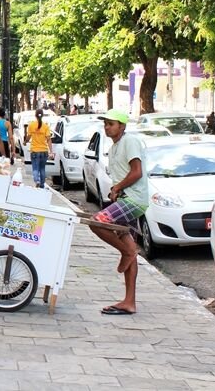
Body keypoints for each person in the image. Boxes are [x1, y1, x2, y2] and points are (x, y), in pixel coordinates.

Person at [89, 109, 148, 316]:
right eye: (105, 124)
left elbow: (137, 172)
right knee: (129, 245)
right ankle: (129, 301)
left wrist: (118, 187)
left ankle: (126, 252)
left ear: (122, 126)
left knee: (97, 221)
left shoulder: (130, 142)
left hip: (134, 199)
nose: (107, 127)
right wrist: (116, 189)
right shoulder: (114, 147)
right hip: (125, 199)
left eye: (111, 124)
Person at [24, 108, 53, 188]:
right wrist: (51, 151)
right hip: (44, 151)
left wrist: (25, 142)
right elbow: (49, 139)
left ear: (35, 115)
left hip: (35, 150)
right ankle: (42, 185)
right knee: (42, 169)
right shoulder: (46, 126)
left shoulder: (31, 125)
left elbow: (28, 137)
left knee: (35, 168)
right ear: (42, 115)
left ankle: (37, 180)